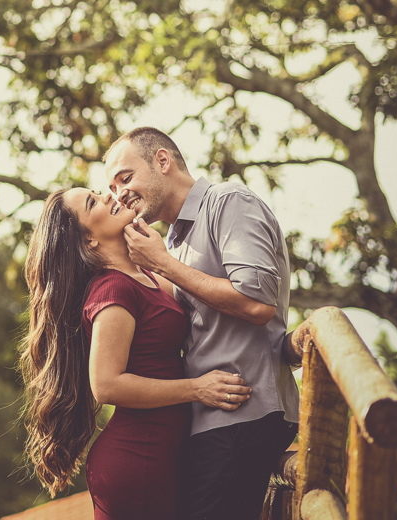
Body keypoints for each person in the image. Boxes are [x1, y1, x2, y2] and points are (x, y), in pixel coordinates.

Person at [20, 187, 251, 520]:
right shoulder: (113, 288)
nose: (109, 197)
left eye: (98, 192)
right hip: (137, 460)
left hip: (165, 454)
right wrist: (198, 389)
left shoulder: (146, 278)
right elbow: (107, 385)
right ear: (88, 241)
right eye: (93, 203)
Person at [104, 127, 300, 520]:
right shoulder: (172, 241)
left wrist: (162, 265)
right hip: (208, 420)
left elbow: (258, 301)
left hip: (245, 413)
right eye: (111, 188)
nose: (119, 194)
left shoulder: (229, 202)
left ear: (163, 161)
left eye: (125, 178)